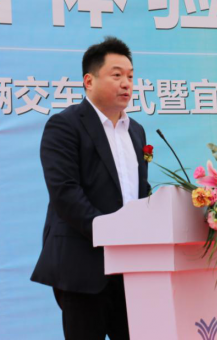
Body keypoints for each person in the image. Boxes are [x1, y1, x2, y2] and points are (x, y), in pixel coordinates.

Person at [31, 36, 150, 340]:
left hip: (132, 269)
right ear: (89, 80)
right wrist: (110, 232)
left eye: (130, 76)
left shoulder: (136, 131)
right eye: (116, 75)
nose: (126, 83)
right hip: (83, 267)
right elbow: (65, 192)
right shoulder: (65, 125)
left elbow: (140, 192)